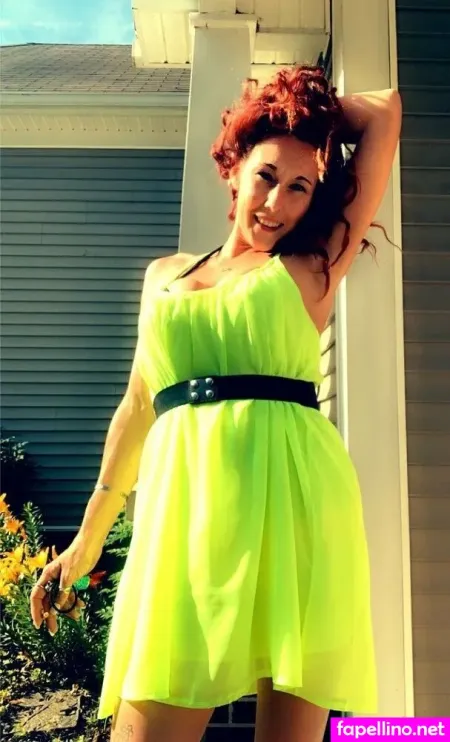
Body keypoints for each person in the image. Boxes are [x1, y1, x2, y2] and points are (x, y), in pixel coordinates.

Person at [30, 66, 402, 742]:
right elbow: (137, 406)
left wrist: (306, 113)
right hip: (186, 517)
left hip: (296, 506)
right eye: (266, 176)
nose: (276, 203)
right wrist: (87, 538)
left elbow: (383, 112)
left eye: (300, 187)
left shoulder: (312, 266)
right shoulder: (164, 278)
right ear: (234, 171)